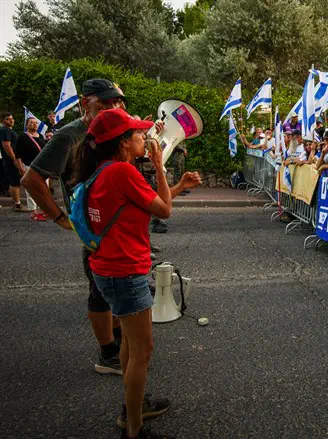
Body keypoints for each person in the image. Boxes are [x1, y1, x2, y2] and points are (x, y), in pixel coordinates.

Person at [71, 107, 200, 439]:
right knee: (143, 351)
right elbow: (164, 210)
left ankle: (133, 406)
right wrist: (159, 165)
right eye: (139, 134)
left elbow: (147, 203)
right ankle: (133, 427)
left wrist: (179, 185)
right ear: (124, 142)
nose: (146, 137)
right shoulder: (122, 173)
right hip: (125, 271)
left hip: (109, 267)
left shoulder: (103, 171)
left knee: (129, 340)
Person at [22, 78, 129, 375]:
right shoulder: (69, 136)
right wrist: (59, 217)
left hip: (117, 221)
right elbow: (31, 179)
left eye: (117, 102)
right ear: (85, 103)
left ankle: (119, 340)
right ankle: (108, 355)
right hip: (93, 225)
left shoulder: (113, 129)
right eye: (105, 103)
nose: (113, 108)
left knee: (118, 285)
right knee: (100, 287)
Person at [16, 117, 48, 219]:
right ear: (26, 125)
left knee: (43, 190)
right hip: (29, 167)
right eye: (31, 123)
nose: (34, 124)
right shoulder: (22, 137)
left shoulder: (41, 136)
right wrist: (21, 167)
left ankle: (43, 209)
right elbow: (18, 154)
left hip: (42, 167)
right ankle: (33, 212)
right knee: (31, 190)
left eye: (35, 123)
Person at [1, 111, 26, 211]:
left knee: (15, 182)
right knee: (15, 182)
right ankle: (17, 205)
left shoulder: (9, 130)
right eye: (8, 119)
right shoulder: (4, 130)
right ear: (3, 121)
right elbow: (6, 146)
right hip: (10, 160)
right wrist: (14, 159)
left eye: (12, 118)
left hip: (12, 160)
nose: (11, 120)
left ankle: (16, 203)